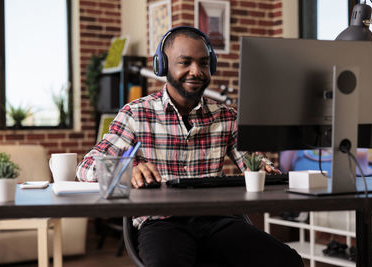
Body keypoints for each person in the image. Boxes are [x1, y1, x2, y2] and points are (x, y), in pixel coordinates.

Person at [77, 26, 303, 267]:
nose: (196, 71)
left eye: (204, 63)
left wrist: (263, 170)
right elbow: (87, 167)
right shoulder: (135, 114)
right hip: (161, 223)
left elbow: (253, 162)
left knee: (287, 261)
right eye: (185, 62)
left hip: (218, 220)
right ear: (162, 66)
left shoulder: (226, 116)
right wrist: (126, 169)